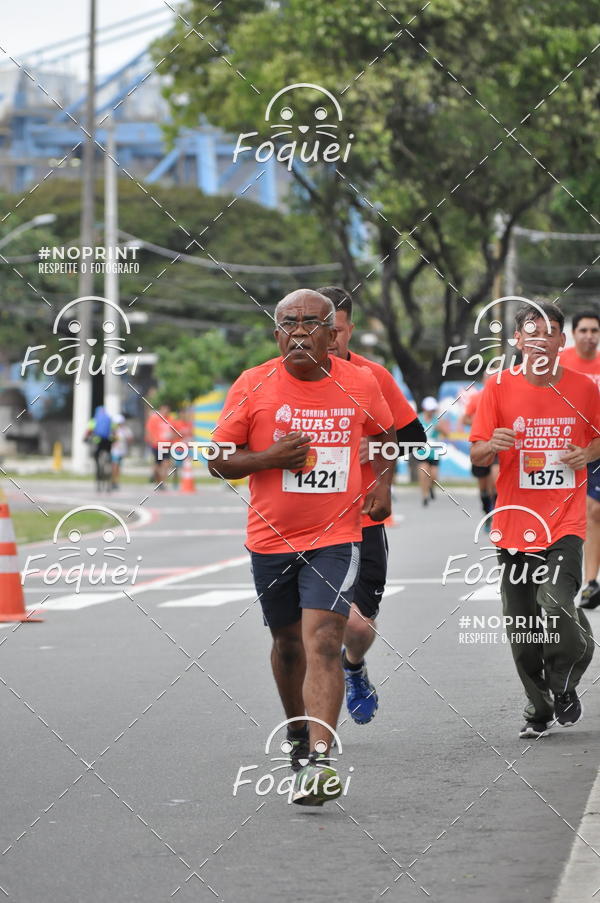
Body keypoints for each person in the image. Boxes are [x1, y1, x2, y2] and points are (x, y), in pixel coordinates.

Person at [209, 289, 395, 806]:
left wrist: (382, 484)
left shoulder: (360, 382)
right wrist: (268, 457)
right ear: (276, 334)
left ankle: (320, 760)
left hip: (336, 536)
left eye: (310, 323)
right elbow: (218, 460)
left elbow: (384, 436)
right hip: (270, 539)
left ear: (333, 334)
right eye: (287, 323)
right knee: (288, 644)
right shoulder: (254, 385)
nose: (297, 332)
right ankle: (296, 731)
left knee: (324, 641)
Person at [470, 301, 599, 739]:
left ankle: (566, 672)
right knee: (522, 625)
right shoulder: (498, 387)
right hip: (514, 524)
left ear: (561, 342)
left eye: (551, 331)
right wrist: (492, 443)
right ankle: (539, 707)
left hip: (565, 522)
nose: (542, 338)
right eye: (532, 330)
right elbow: (476, 452)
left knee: (555, 603)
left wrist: (589, 452)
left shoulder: (583, 388)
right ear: (518, 340)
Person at [318, 285, 426, 725]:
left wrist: (377, 446)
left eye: (338, 331)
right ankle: (311, 732)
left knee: (358, 627)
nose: (331, 341)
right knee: (310, 629)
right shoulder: (283, 377)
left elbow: (416, 439)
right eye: (323, 331)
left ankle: (354, 667)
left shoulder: (372, 377)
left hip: (362, 517)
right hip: (307, 522)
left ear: (349, 329)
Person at [559, 311, 600, 609]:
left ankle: (590, 582)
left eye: (595, 330)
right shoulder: (561, 363)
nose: (590, 335)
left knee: (593, 510)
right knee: (582, 514)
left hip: (597, 446)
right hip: (567, 448)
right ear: (573, 334)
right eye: (584, 330)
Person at [462, 374, 498, 524]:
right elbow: (464, 419)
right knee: (483, 485)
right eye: (489, 377)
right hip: (480, 446)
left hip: (497, 446)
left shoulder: (503, 395)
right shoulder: (477, 398)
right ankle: (486, 511)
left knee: (495, 481)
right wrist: (480, 420)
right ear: (484, 380)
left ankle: (495, 513)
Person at [417, 397, 451, 506]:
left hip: (434, 452)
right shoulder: (419, 419)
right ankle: (425, 495)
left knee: (434, 475)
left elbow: (447, 434)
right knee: (423, 470)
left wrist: (440, 428)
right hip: (422, 451)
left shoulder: (437, 420)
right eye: (429, 409)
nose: (430, 411)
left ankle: (431, 487)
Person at [145, 404, 176, 489]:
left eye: (168, 409)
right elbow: (149, 431)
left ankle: (162, 482)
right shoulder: (154, 418)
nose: (166, 411)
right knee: (157, 465)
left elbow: (174, 431)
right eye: (164, 409)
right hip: (157, 445)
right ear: (161, 409)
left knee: (166, 464)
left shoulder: (170, 419)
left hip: (167, 445)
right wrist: (151, 441)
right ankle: (157, 480)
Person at [84, 405, 114, 490]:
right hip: (108, 442)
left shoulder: (94, 420)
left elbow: (88, 431)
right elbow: (114, 431)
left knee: (97, 461)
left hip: (98, 442)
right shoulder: (109, 419)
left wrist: (85, 438)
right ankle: (108, 481)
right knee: (108, 460)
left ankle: (98, 479)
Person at [110, 414, 133, 490]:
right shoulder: (113, 430)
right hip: (115, 450)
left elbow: (130, 438)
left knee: (118, 466)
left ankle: (116, 481)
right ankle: (113, 481)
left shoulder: (125, 430)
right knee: (115, 465)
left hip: (122, 451)